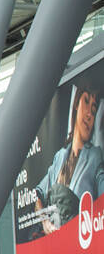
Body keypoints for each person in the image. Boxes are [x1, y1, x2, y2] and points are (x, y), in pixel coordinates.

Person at [34, 84, 100, 235]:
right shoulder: (60, 157)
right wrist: (45, 222)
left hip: (79, 239)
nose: (90, 113)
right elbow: (37, 193)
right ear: (76, 104)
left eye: (94, 109)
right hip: (55, 241)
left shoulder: (95, 156)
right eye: (86, 101)